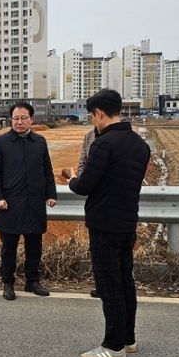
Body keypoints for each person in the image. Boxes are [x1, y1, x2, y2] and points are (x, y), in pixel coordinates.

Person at [63, 89, 151, 357]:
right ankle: (128, 339)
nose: (92, 121)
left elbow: (85, 186)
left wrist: (71, 179)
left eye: (92, 116)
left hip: (104, 223)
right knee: (125, 281)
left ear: (99, 113)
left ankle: (113, 347)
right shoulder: (140, 145)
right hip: (127, 221)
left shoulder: (103, 144)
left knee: (109, 284)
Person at [0, 102, 57, 301]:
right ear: (11, 120)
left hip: (35, 202)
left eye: (23, 118)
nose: (19, 122)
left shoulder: (40, 142)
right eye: (15, 118)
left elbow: (47, 170)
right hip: (10, 203)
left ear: (31, 119)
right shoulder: (1, 142)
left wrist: (51, 194)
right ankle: (8, 283)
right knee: (9, 247)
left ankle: (32, 281)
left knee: (34, 246)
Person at [77, 127, 101, 299]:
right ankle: (101, 284)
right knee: (97, 248)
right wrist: (83, 180)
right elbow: (82, 162)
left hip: (112, 202)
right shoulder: (89, 136)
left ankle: (112, 287)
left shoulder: (117, 139)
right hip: (94, 200)